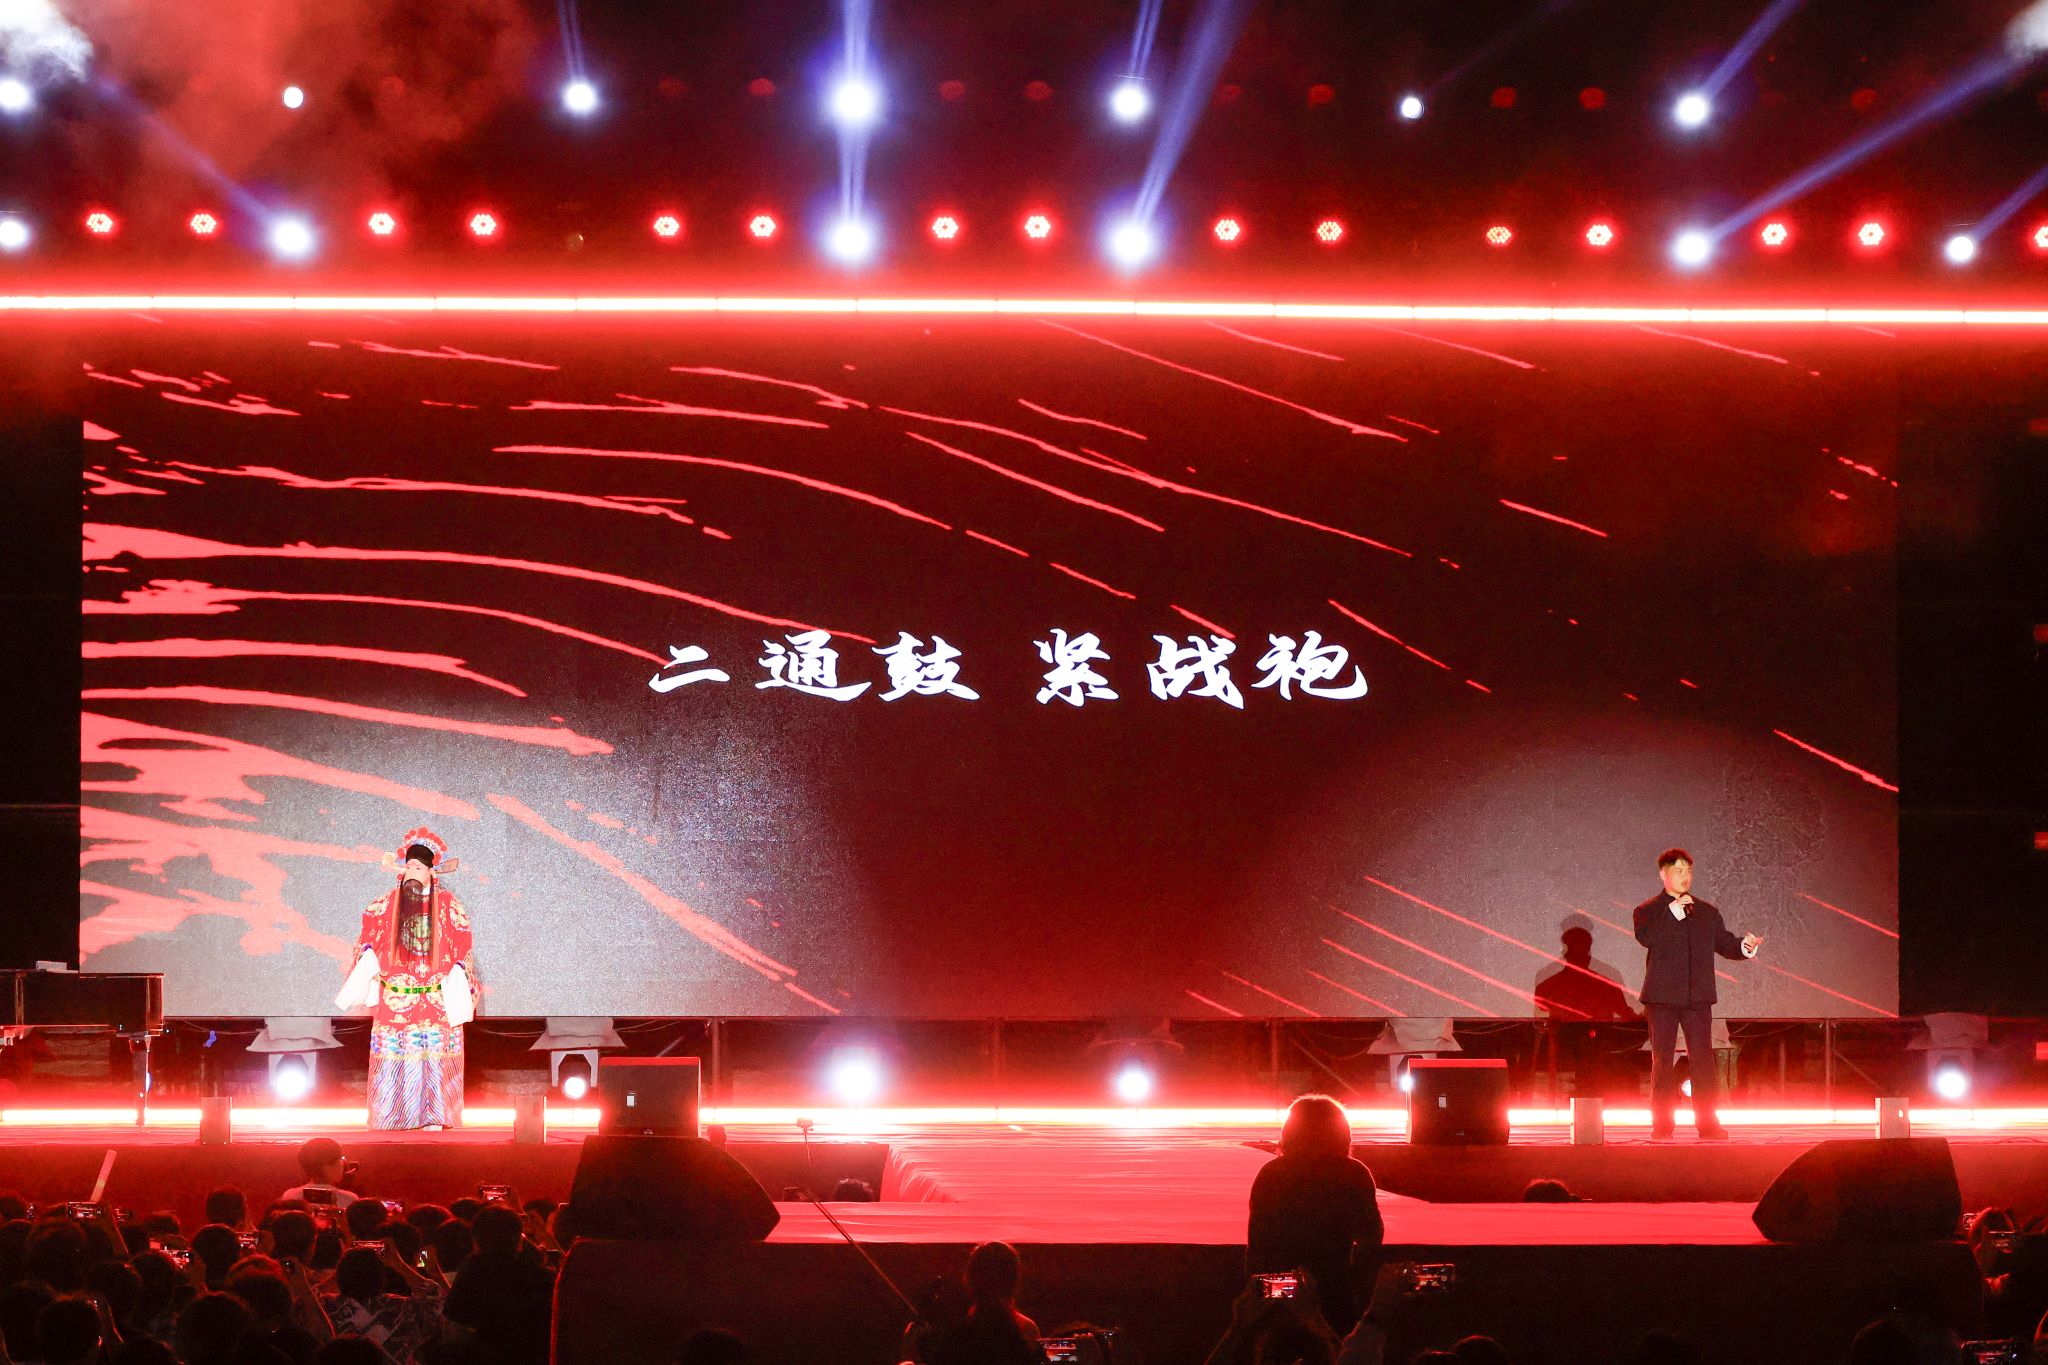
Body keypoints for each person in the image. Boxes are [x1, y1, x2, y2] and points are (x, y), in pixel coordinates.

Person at [335, 829, 480, 1131]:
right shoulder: (386, 903)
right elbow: (368, 936)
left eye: (419, 867)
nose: (412, 872)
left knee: (436, 1055)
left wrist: (457, 969)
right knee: (395, 1053)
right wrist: (367, 954)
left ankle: (436, 1116)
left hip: (435, 996)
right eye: (409, 866)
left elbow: (462, 940)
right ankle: (391, 1115)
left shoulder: (448, 903)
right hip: (397, 996)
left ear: (431, 873)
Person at [1631, 849, 1762, 1141]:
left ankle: (1708, 1124)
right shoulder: (1648, 911)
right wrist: (1671, 914)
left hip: (1697, 998)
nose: (1685, 877)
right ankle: (1662, 1125)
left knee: (1703, 1062)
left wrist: (1745, 946)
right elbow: (1647, 938)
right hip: (1662, 999)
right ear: (1663, 874)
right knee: (1662, 1062)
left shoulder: (1706, 912)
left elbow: (1725, 944)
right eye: (1678, 871)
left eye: (1688, 871)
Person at [1247, 1095, 1384, 1335]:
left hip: (1281, 1290)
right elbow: (1370, 1235)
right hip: (1334, 1286)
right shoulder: (1353, 1174)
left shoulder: (1271, 1173)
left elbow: (1257, 1242)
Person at [280, 1140, 359, 1210]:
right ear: (327, 1167)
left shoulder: (290, 1196)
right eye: (340, 1159)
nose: (343, 1164)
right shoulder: (349, 1199)